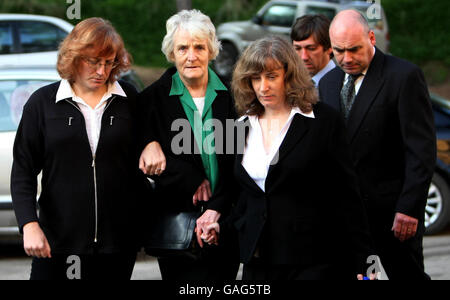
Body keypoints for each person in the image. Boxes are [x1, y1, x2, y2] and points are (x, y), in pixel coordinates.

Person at [204, 36, 374, 280]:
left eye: (271, 76)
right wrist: (220, 221)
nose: (263, 87)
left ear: (290, 75)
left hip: (316, 260)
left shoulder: (323, 121)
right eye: (256, 78)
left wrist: (365, 263)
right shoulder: (238, 128)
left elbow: (347, 195)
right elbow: (242, 194)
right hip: (258, 260)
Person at [11, 18, 145, 280]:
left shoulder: (129, 99)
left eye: (109, 62)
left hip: (116, 245)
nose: (101, 71)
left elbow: (152, 136)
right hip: (56, 244)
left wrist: (151, 144)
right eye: (93, 62)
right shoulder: (42, 103)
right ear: (74, 56)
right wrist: (29, 224)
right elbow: (23, 171)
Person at [319, 10, 436, 280]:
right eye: (339, 51)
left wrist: (409, 207)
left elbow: (421, 149)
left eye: (354, 49)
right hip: (345, 219)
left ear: (371, 38)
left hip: (394, 217)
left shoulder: (403, 76)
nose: (346, 58)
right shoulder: (328, 83)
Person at [138, 9, 239, 280]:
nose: (191, 56)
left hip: (224, 220)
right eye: (183, 48)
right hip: (176, 225)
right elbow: (136, 153)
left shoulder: (232, 97)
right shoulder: (151, 100)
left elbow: (238, 162)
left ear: (211, 51)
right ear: (172, 53)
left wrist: (217, 208)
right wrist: (186, 175)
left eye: (199, 47)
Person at [291, 14, 335, 87]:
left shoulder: (343, 84)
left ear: (330, 47)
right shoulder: (290, 82)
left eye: (311, 48)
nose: (304, 57)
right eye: (297, 48)